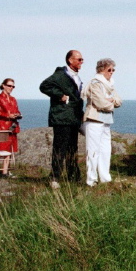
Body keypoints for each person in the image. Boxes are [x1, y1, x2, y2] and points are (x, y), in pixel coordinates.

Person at [40, 50, 84, 189]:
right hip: (61, 117)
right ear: (70, 60)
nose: (81, 62)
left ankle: (73, 176)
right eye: (79, 59)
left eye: (82, 59)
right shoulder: (60, 75)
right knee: (60, 148)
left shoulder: (76, 76)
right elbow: (44, 86)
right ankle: (54, 177)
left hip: (73, 117)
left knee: (72, 148)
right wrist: (59, 95)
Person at [82, 58, 122, 186]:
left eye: (113, 70)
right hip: (94, 120)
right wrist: (111, 102)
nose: (112, 72)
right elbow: (100, 103)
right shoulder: (95, 83)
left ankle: (105, 178)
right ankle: (91, 180)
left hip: (106, 121)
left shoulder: (110, 84)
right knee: (93, 151)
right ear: (101, 70)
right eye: (109, 70)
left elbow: (119, 101)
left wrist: (110, 100)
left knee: (105, 150)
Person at [0, 78, 22, 176]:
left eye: (13, 86)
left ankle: (5, 171)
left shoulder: (13, 99)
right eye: (9, 85)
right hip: (2, 127)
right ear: (3, 85)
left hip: (12, 126)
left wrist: (18, 115)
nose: (11, 88)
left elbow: (17, 110)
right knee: (1, 148)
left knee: (9, 149)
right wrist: (7, 115)